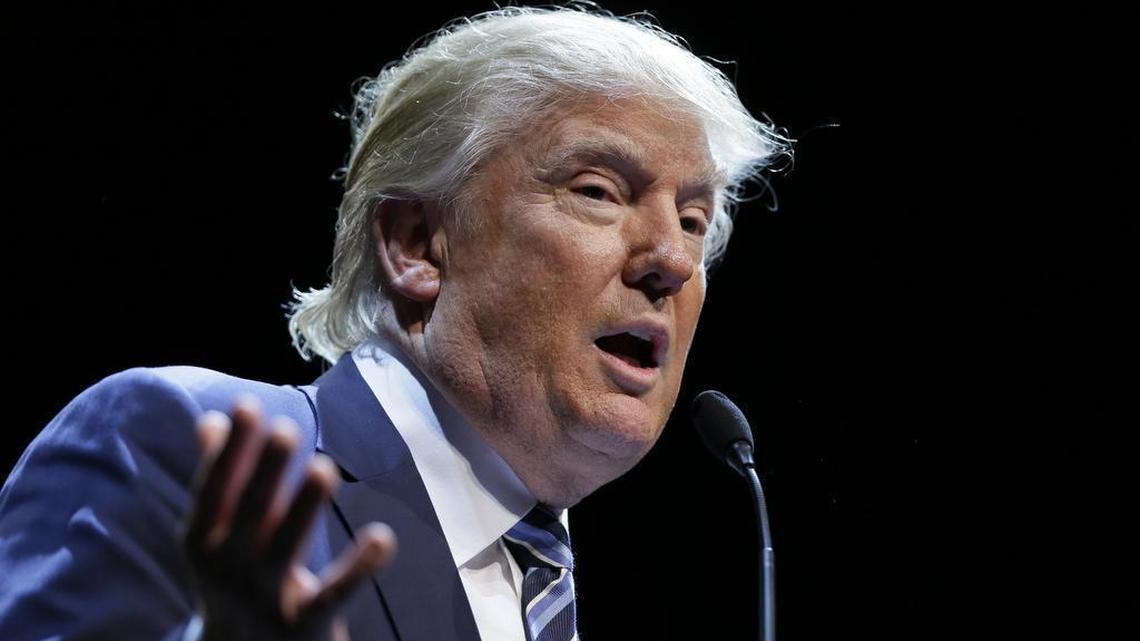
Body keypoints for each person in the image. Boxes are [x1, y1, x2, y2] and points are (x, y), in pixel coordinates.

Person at [0, 5, 790, 641]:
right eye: (597, 190)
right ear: (417, 245)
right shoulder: (195, 450)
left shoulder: (547, 590)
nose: (672, 261)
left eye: (693, 219)